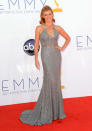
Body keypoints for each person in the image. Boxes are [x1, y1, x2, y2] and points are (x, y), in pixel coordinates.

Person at [19, 5, 71, 126]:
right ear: (42, 16)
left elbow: (68, 38)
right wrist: (36, 59)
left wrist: (62, 47)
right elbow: (36, 45)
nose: (48, 16)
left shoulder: (58, 27)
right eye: (45, 14)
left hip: (56, 56)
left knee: (56, 82)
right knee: (49, 81)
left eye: (50, 14)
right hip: (46, 56)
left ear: (53, 15)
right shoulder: (39, 28)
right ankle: (47, 112)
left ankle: (56, 112)